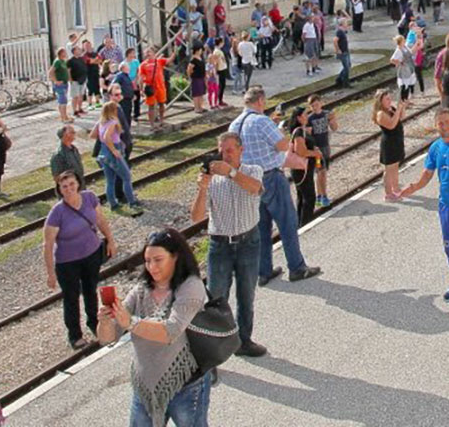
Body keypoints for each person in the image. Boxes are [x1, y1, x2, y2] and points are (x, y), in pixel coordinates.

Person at [96, 229, 212, 427]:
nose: (152, 267)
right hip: (145, 387)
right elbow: (107, 338)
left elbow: (171, 331)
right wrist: (105, 321)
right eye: (147, 261)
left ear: (175, 257)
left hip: (186, 386)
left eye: (158, 260)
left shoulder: (191, 287)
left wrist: (131, 323)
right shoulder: (141, 289)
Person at [229, 87, 321, 287]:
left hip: (249, 180)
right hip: (270, 176)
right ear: (260, 100)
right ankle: (296, 267)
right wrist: (277, 128)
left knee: (261, 226)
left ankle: (263, 271)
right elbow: (282, 145)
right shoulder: (262, 121)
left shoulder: (234, 125)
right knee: (287, 222)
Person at [190, 132, 269, 359]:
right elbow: (195, 217)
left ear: (241, 150)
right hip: (220, 246)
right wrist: (202, 189)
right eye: (222, 151)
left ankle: (244, 341)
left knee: (246, 295)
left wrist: (232, 173)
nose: (225, 155)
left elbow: (254, 188)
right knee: (216, 300)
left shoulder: (253, 170)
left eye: (229, 150)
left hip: (248, 242)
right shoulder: (213, 181)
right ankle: (213, 354)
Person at [398, 109, 449, 315]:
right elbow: (427, 174)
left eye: (446, 122)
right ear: (436, 126)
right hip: (444, 205)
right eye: (440, 123)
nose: (443, 126)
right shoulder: (435, 148)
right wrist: (413, 187)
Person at [44, 171, 115, 349]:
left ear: (78, 184)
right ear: (59, 189)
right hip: (67, 263)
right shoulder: (56, 213)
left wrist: (110, 240)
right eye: (64, 186)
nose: (69, 189)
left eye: (71, 184)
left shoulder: (89, 197)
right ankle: (75, 335)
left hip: (91, 254)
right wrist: (51, 273)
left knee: (91, 291)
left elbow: (100, 220)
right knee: (71, 298)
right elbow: (48, 244)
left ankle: (94, 324)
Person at [94, 102, 142, 216]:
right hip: (113, 152)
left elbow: (92, 135)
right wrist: (114, 149)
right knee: (126, 177)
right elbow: (106, 137)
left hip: (103, 153)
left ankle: (113, 204)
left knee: (110, 180)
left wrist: (105, 142)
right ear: (113, 110)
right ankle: (132, 202)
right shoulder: (113, 122)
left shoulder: (100, 122)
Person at [373, 90, 408, 201]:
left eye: (390, 98)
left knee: (395, 166)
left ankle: (396, 188)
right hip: (389, 143)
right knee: (389, 169)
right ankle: (388, 193)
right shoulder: (380, 114)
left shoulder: (390, 109)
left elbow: (401, 118)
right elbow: (391, 125)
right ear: (380, 101)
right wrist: (397, 110)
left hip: (397, 141)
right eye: (387, 99)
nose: (390, 100)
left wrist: (402, 107)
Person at [307, 95, 338, 209]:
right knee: (321, 172)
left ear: (321, 103)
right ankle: (322, 196)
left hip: (325, 147)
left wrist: (333, 119)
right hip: (317, 151)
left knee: (323, 172)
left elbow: (334, 128)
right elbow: (309, 136)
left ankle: (320, 196)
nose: (314, 107)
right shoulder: (310, 119)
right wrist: (314, 148)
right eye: (312, 105)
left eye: (316, 104)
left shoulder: (326, 114)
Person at [138, 47, 169, 128]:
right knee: (151, 106)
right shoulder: (143, 65)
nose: (148, 54)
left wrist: (174, 51)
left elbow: (169, 60)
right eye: (146, 52)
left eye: (149, 52)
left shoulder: (159, 61)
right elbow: (140, 78)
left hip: (160, 86)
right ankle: (152, 124)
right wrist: (141, 89)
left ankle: (162, 120)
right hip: (150, 88)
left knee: (161, 103)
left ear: (154, 53)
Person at [49, 126, 86, 191]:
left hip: (79, 185)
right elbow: (57, 177)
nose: (75, 133)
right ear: (65, 135)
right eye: (72, 132)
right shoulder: (58, 155)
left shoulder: (74, 149)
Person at [48, 47, 71, 123]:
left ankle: (65, 116)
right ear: (61, 53)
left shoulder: (63, 61)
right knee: (62, 101)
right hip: (60, 84)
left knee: (64, 100)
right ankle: (63, 117)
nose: (66, 53)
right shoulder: (57, 62)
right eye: (64, 52)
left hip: (64, 83)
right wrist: (55, 81)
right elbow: (51, 72)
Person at [391, 35, 415, 101]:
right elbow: (392, 60)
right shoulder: (398, 50)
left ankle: (405, 101)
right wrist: (399, 62)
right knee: (404, 86)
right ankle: (403, 101)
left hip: (409, 68)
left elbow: (411, 52)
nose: (404, 41)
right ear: (400, 41)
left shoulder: (405, 47)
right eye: (403, 40)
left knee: (408, 84)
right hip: (404, 70)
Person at [68, 45, 89, 117]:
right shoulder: (71, 60)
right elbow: (68, 71)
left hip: (82, 80)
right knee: (75, 96)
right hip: (75, 80)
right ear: (74, 51)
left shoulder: (81, 59)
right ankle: (74, 111)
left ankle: (80, 108)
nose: (80, 50)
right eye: (78, 49)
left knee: (81, 95)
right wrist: (70, 80)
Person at [208, 39, 229, 109]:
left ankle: (220, 99)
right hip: (220, 69)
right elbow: (216, 62)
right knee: (221, 85)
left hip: (223, 68)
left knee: (223, 85)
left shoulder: (218, 50)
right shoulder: (216, 51)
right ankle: (219, 100)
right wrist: (215, 71)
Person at [188, 45, 207, 113]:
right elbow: (189, 69)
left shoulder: (201, 58)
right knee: (196, 93)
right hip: (196, 78)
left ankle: (200, 106)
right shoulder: (193, 59)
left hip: (201, 77)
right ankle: (196, 107)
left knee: (201, 93)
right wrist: (191, 76)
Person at [333, 17, 352, 88]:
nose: (347, 24)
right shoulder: (339, 31)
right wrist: (338, 50)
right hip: (343, 52)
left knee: (348, 65)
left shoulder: (343, 31)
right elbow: (335, 40)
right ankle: (345, 83)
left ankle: (339, 79)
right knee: (346, 67)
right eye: (346, 23)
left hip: (346, 51)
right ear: (342, 24)